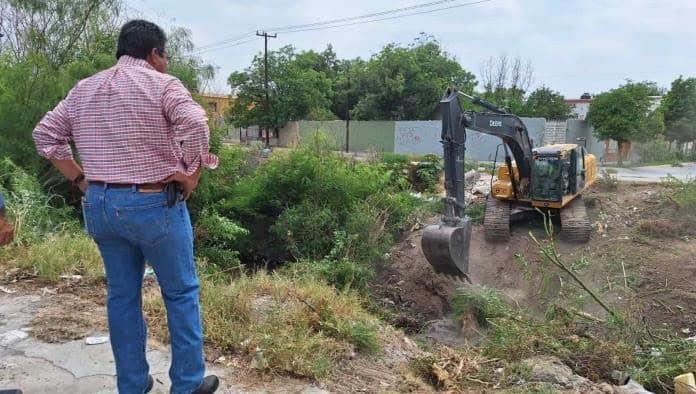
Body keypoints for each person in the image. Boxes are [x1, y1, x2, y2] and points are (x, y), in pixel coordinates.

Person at [32, 20, 219, 394]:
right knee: (180, 293)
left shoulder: (84, 89)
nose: (166, 64)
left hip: (100, 203)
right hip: (153, 203)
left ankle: (133, 385)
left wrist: (80, 179)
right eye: (165, 56)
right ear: (154, 54)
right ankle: (186, 385)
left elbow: (45, 135)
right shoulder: (162, 84)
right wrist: (191, 174)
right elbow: (197, 120)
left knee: (122, 295)